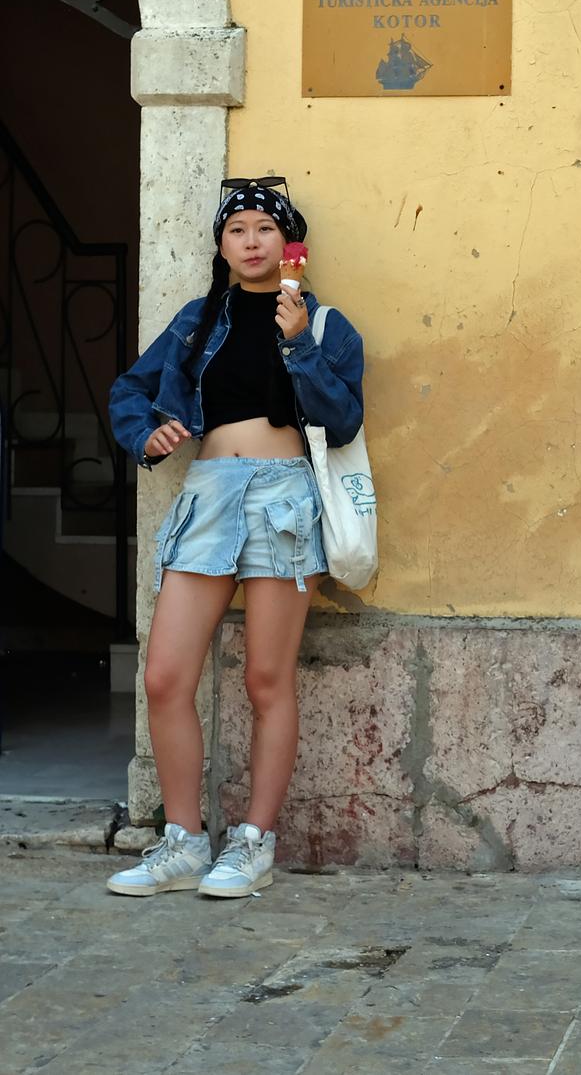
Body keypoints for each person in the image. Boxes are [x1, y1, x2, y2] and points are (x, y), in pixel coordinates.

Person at [106, 179, 365, 897]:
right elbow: (130, 389)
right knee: (164, 676)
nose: (251, 241)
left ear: (290, 243)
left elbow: (343, 420)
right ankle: (184, 842)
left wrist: (298, 344)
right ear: (221, 246)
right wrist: (147, 435)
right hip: (210, 494)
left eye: (265, 228)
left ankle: (253, 843)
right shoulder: (197, 321)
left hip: (284, 501)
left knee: (265, 680)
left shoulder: (324, 325)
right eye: (237, 230)